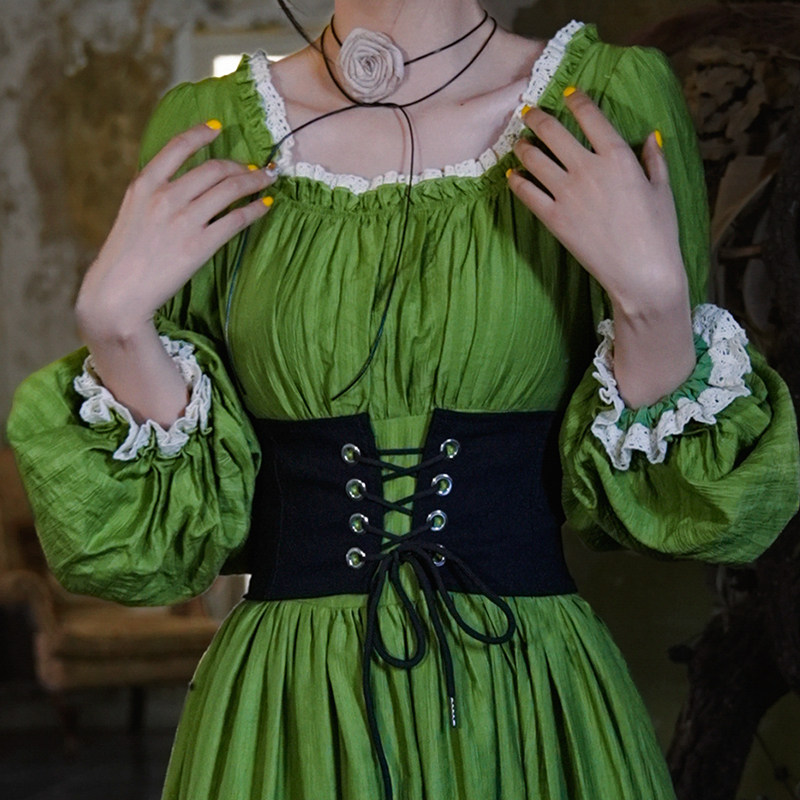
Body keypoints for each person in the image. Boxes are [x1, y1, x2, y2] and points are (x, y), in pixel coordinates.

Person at [7, 1, 800, 798]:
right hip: (289, 708)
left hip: (523, 705)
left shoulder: (607, 99)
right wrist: (115, 330)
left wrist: (655, 304)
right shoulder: (209, 129)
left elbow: (690, 510)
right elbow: (157, 549)